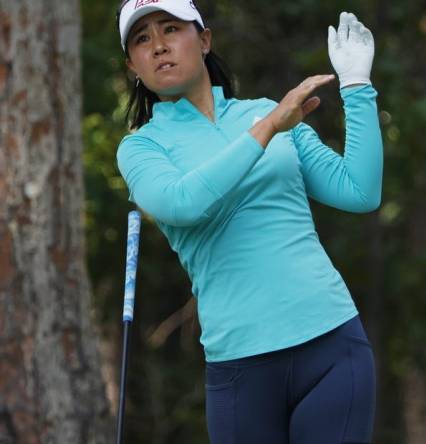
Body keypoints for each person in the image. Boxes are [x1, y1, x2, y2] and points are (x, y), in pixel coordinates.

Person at [114, 0, 382, 442]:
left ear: (204, 40)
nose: (159, 46)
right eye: (142, 39)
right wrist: (268, 128)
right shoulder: (142, 148)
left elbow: (359, 191)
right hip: (241, 366)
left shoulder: (267, 113)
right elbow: (183, 203)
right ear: (132, 66)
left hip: (332, 342)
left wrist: (357, 87)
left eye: (170, 29)